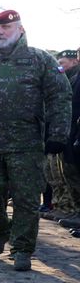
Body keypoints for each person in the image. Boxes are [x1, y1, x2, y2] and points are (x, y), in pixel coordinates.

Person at [0, 9, 71, 271]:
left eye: (6, 28)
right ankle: (1, 231)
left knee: (26, 199)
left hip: (27, 144)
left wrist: (58, 135)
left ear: (20, 29)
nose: (0, 33)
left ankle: (22, 249)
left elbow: (60, 97)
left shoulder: (41, 60)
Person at [53, 49, 80, 230]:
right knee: (69, 173)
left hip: (76, 132)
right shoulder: (74, 78)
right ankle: (77, 213)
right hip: (71, 132)